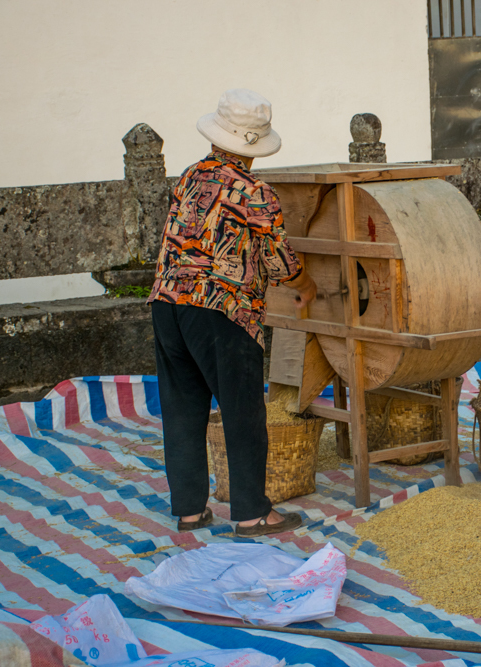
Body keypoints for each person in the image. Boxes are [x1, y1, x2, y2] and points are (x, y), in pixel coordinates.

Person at [148, 89, 318, 537]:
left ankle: (189, 511)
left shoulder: (187, 176)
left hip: (167, 304)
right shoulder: (255, 191)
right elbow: (279, 259)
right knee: (243, 410)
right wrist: (305, 287)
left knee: (182, 409)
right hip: (223, 310)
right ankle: (251, 513)